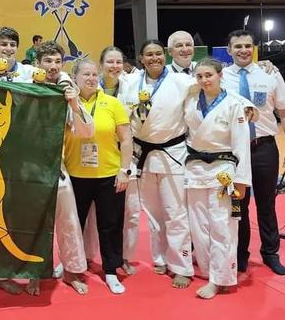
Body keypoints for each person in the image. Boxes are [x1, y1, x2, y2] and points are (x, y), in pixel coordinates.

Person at [118, 39, 195, 289]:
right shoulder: (130, 82)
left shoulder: (182, 81)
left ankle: (181, 265)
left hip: (172, 152)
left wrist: (247, 105)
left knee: (175, 211)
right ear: (141, 58)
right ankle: (160, 258)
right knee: (152, 212)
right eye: (149, 54)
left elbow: (214, 84)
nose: (154, 58)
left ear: (166, 56)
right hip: (142, 153)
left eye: (159, 54)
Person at [26, 41, 92, 296]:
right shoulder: (26, 89)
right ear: (37, 64)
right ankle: (34, 273)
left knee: (68, 223)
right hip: (29, 171)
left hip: (58, 167)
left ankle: (72, 271)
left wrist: (74, 103)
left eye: (57, 61)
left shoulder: (67, 92)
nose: (53, 66)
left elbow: (87, 132)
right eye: (47, 61)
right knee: (33, 225)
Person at [184, 58, 253, 299]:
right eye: (200, 76)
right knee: (199, 227)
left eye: (209, 75)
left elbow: (241, 144)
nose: (204, 80)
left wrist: (242, 181)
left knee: (223, 225)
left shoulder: (234, 104)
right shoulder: (191, 99)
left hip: (224, 171)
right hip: (194, 170)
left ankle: (221, 278)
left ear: (220, 75)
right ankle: (210, 271)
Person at [64, 58, 132, 294]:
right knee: (73, 225)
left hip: (109, 174)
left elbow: (126, 139)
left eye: (94, 74)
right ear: (75, 77)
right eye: (86, 75)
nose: (91, 78)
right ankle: (70, 266)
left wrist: (125, 171)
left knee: (110, 225)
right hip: (75, 175)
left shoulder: (112, 103)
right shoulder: (65, 104)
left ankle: (112, 270)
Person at [221, 29, 285, 275]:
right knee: (239, 205)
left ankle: (270, 253)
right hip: (234, 151)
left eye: (248, 46)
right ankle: (240, 254)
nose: (243, 50)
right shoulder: (221, 77)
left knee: (267, 204)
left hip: (265, 148)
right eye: (237, 47)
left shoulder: (270, 74)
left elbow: (282, 111)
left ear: (254, 48)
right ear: (229, 50)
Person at [82, 46, 140, 276]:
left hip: (126, 154)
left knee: (129, 213)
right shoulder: (87, 88)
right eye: (109, 62)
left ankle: (123, 257)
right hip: (93, 155)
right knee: (90, 215)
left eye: (119, 61)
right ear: (101, 64)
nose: (115, 66)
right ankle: (84, 257)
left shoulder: (133, 85)